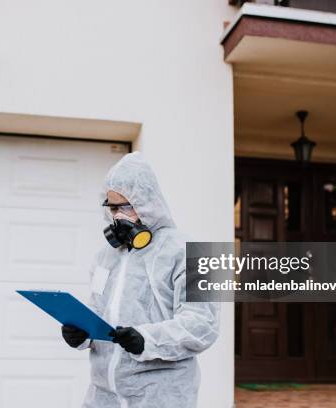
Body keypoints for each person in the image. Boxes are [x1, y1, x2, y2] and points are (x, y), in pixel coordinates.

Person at [61, 151, 220, 408]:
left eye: (123, 207)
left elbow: (204, 324)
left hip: (161, 397)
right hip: (103, 396)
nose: (116, 217)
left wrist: (147, 338)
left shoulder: (192, 251)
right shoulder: (106, 256)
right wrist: (83, 333)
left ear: (146, 202)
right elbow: (99, 308)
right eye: (111, 208)